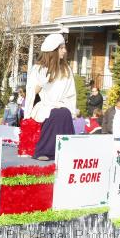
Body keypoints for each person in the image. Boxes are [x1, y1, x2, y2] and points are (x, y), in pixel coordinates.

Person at [24, 33, 76, 161]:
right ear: (53, 50)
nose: (65, 50)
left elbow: (71, 92)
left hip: (61, 104)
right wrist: (41, 83)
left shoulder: (66, 69)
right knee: (54, 114)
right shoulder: (38, 69)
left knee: (64, 113)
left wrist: (71, 109)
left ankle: (65, 150)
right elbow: (32, 92)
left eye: (64, 47)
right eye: (61, 48)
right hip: (45, 105)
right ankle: (45, 150)